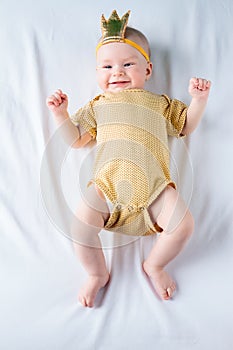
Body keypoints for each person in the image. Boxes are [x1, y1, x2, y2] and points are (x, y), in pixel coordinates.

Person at [46, 10, 211, 307]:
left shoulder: (159, 103)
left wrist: (198, 101)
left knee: (184, 226)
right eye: (107, 66)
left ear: (147, 70)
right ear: (97, 73)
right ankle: (97, 274)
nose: (117, 72)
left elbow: (185, 126)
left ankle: (155, 265)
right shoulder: (98, 106)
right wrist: (61, 114)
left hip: (155, 193)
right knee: (79, 228)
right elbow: (76, 139)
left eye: (127, 64)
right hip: (107, 191)